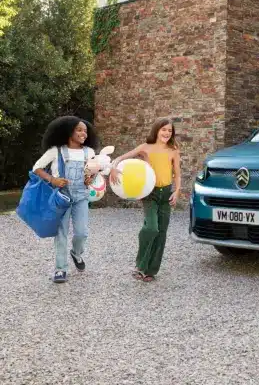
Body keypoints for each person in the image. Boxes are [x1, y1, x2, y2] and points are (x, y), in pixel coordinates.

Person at [109, 117, 182, 282]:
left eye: (170, 130)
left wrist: (177, 191)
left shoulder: (173, 150)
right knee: (151, 228)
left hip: (166, 194)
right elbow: (121, 158)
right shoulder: (145, 148)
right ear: (156, 130)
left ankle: (150, 271)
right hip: (150, 193)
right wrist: (113, 168)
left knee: (161, 233)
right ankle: (139, 265)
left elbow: (177, 173)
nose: (166, 133)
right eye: (164, 130)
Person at [32, 116, 99, 283]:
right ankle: (60, 269)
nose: (84, 133)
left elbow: (93, 171)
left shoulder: (89, 152)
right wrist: (53, 180)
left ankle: (76, 253)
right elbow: (36, 168)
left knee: (82, 233)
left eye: (85, 130)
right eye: (79, 130)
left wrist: (91, 177)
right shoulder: (56, 151)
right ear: (69, 132)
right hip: (61, 198)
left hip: (81, 197)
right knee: (61, 233)